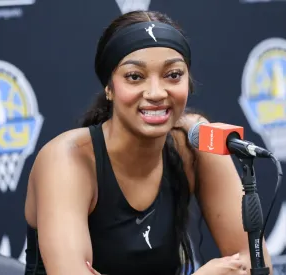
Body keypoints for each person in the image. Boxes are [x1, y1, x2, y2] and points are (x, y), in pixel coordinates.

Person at [23, 10, 272, 275]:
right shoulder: (66, 160)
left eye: (173, 75)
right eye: (135, 76)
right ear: (109, 87)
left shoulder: (194, 141)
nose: (156, 93)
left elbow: (253, 264)